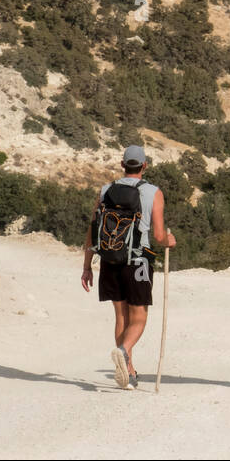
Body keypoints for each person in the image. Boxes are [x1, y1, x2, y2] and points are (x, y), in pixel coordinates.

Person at [82, 145, 175, 390]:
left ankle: (129, 372)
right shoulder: (153, 192)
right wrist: (169, 240)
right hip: (138, 260)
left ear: (123, 165)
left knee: (121, 316)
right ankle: (124, 352)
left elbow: (93, 229)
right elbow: (157, 234)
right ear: (144, 166)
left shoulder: (106, 190)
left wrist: (87, 266)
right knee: (139, 317)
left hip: (110, 260)